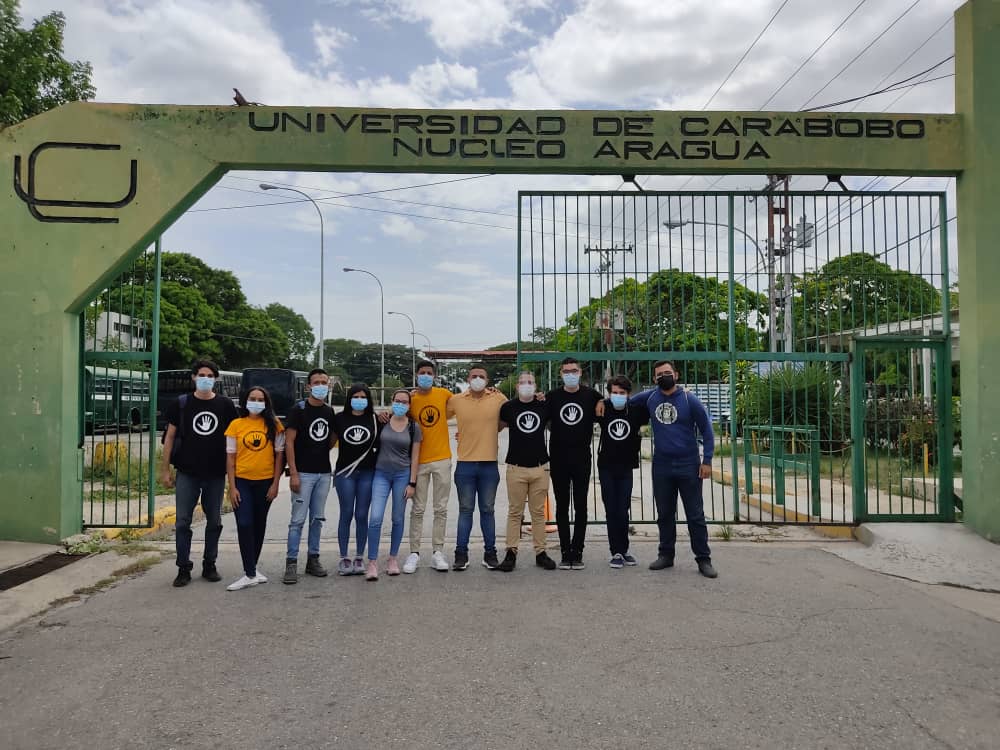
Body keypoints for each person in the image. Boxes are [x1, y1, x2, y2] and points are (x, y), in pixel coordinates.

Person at [630, 360, 718, 578]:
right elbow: (624, 402)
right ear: (654, 379)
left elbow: (707, 430)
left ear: (676, 375)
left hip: (689, 465)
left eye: (667, 373)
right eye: (659, 374)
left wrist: (706, 460)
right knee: (665, 514)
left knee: (695, 515)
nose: (663, 377)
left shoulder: (690, 399)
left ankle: (703, 559)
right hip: (662, 465)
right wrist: (601, 402)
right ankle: (666, 555)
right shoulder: (650, 397)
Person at [159, 358, 239, 587]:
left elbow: (232, 442)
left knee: (214, 520)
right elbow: (170, 438)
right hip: (187, 472)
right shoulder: (181, 403)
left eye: (210, 376)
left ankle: (209, 563)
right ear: (193, 377)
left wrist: (233, 474)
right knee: (183, 521)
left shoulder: (225, 405)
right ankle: (183, 566)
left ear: (216, 379)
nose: (205, 379)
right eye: (201, 375)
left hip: (215, 474)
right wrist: (165, 470)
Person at [224, 386, 285, 591]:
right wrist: (232, 487)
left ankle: (252, 569)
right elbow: (230, 458)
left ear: (266, 403)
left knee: (259, 525)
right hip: (242, 481)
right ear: (245, 401)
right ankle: (249, 573)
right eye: (253, 398)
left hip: (265, 482)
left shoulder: (274, 425)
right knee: (244, 523)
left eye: (261, 399)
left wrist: (276, 484)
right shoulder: (235, 425)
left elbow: (279, 456)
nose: (256, 402)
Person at [446, 364, 507, 571]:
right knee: (465, 510)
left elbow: (511, 416)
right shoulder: (456, 401)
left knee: (488, 510)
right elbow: (437, 415)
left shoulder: (498, 399)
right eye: (474, 376)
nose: (478, 379)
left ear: (488, 381)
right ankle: (460, 554)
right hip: (465, 466)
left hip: (489, 465)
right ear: (468, 378)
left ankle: (490, 553)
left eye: (482, 376)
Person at [496, 371, 557, 572]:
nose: (526, 385)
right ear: (517, 387)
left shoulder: (543, 405)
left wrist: (545, 397)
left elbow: (554, 424)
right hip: (516, 467)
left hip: (540, 467)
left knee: (538, 513)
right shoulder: (508, 408)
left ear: (536, 385)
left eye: (530, 382)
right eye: (523, 382)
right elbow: (495, 428)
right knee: (515, 512)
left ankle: (541, 552)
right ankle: (511, 552)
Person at [546, 356, 603, 570]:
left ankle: (577, 551)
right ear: (560, 374)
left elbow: (610, 408)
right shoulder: (552, 397)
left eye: (574, 370)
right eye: (566, 371)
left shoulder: (591, 396)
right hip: (559, 459)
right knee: (562, 507)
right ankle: (564, 550)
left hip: (582, 459)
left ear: (580, 373)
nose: (570, 374)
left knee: (580, 506)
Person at [281, 368, 336, 584]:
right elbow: (289, 441)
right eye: (317, 382)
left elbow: (331, 439)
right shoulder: (298, 410)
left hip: (323, 473)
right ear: (308, 386)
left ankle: (313, 559)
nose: (321, 385)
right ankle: (291, 562)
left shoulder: (329, 411)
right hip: (303, 474)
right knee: (297, 520)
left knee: (317, 519)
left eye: (325, 382)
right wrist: (293, 473)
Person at [403, 360, 453, 574]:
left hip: (442, 458)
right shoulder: (411, 399)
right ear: (416, 375)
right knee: (418, 509)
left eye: (429, 373)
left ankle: (437, 552)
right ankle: (414, 552)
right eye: (421, 372)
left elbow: (466, 404)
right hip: (418, 461)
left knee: (440, 508)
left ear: (434, 375)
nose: (425, 375)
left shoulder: (444, 395)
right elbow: (397, 416)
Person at [366, 389, 422, 581]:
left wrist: (412, 483)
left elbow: (415, 457)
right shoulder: (382, 422)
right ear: (392, 401)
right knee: (375, 517)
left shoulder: (414, 427)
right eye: (397, 401)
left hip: (402, 475)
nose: (400, 404)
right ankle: (372, 562)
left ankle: (392, 559)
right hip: (381, 474)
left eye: (404, 402)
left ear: (409, 405)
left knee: (398, 518)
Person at [597, 375, 648, 569]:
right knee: (611, 509)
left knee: (623, 508)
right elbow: (589, 400)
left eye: (622, 393)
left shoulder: (636, 411)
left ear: (628, 394)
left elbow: (651, 397)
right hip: (607, 466)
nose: (617, 396)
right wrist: (601, 400)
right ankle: (615, 551)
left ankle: (624, 550)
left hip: (626, 466)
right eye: (614, 393)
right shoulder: (603, 409)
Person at [333, 383, 378, 576]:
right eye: (355, 396)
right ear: (349, 398)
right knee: (346, 513)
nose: (359, 400)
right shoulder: (340, 418)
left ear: (368, 400)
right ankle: (344, 557)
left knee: (361, 515)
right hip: (345, 473)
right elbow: (327, 442)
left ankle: (360, 557)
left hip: (367, 473)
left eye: (363, 397)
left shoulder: (375, 419)